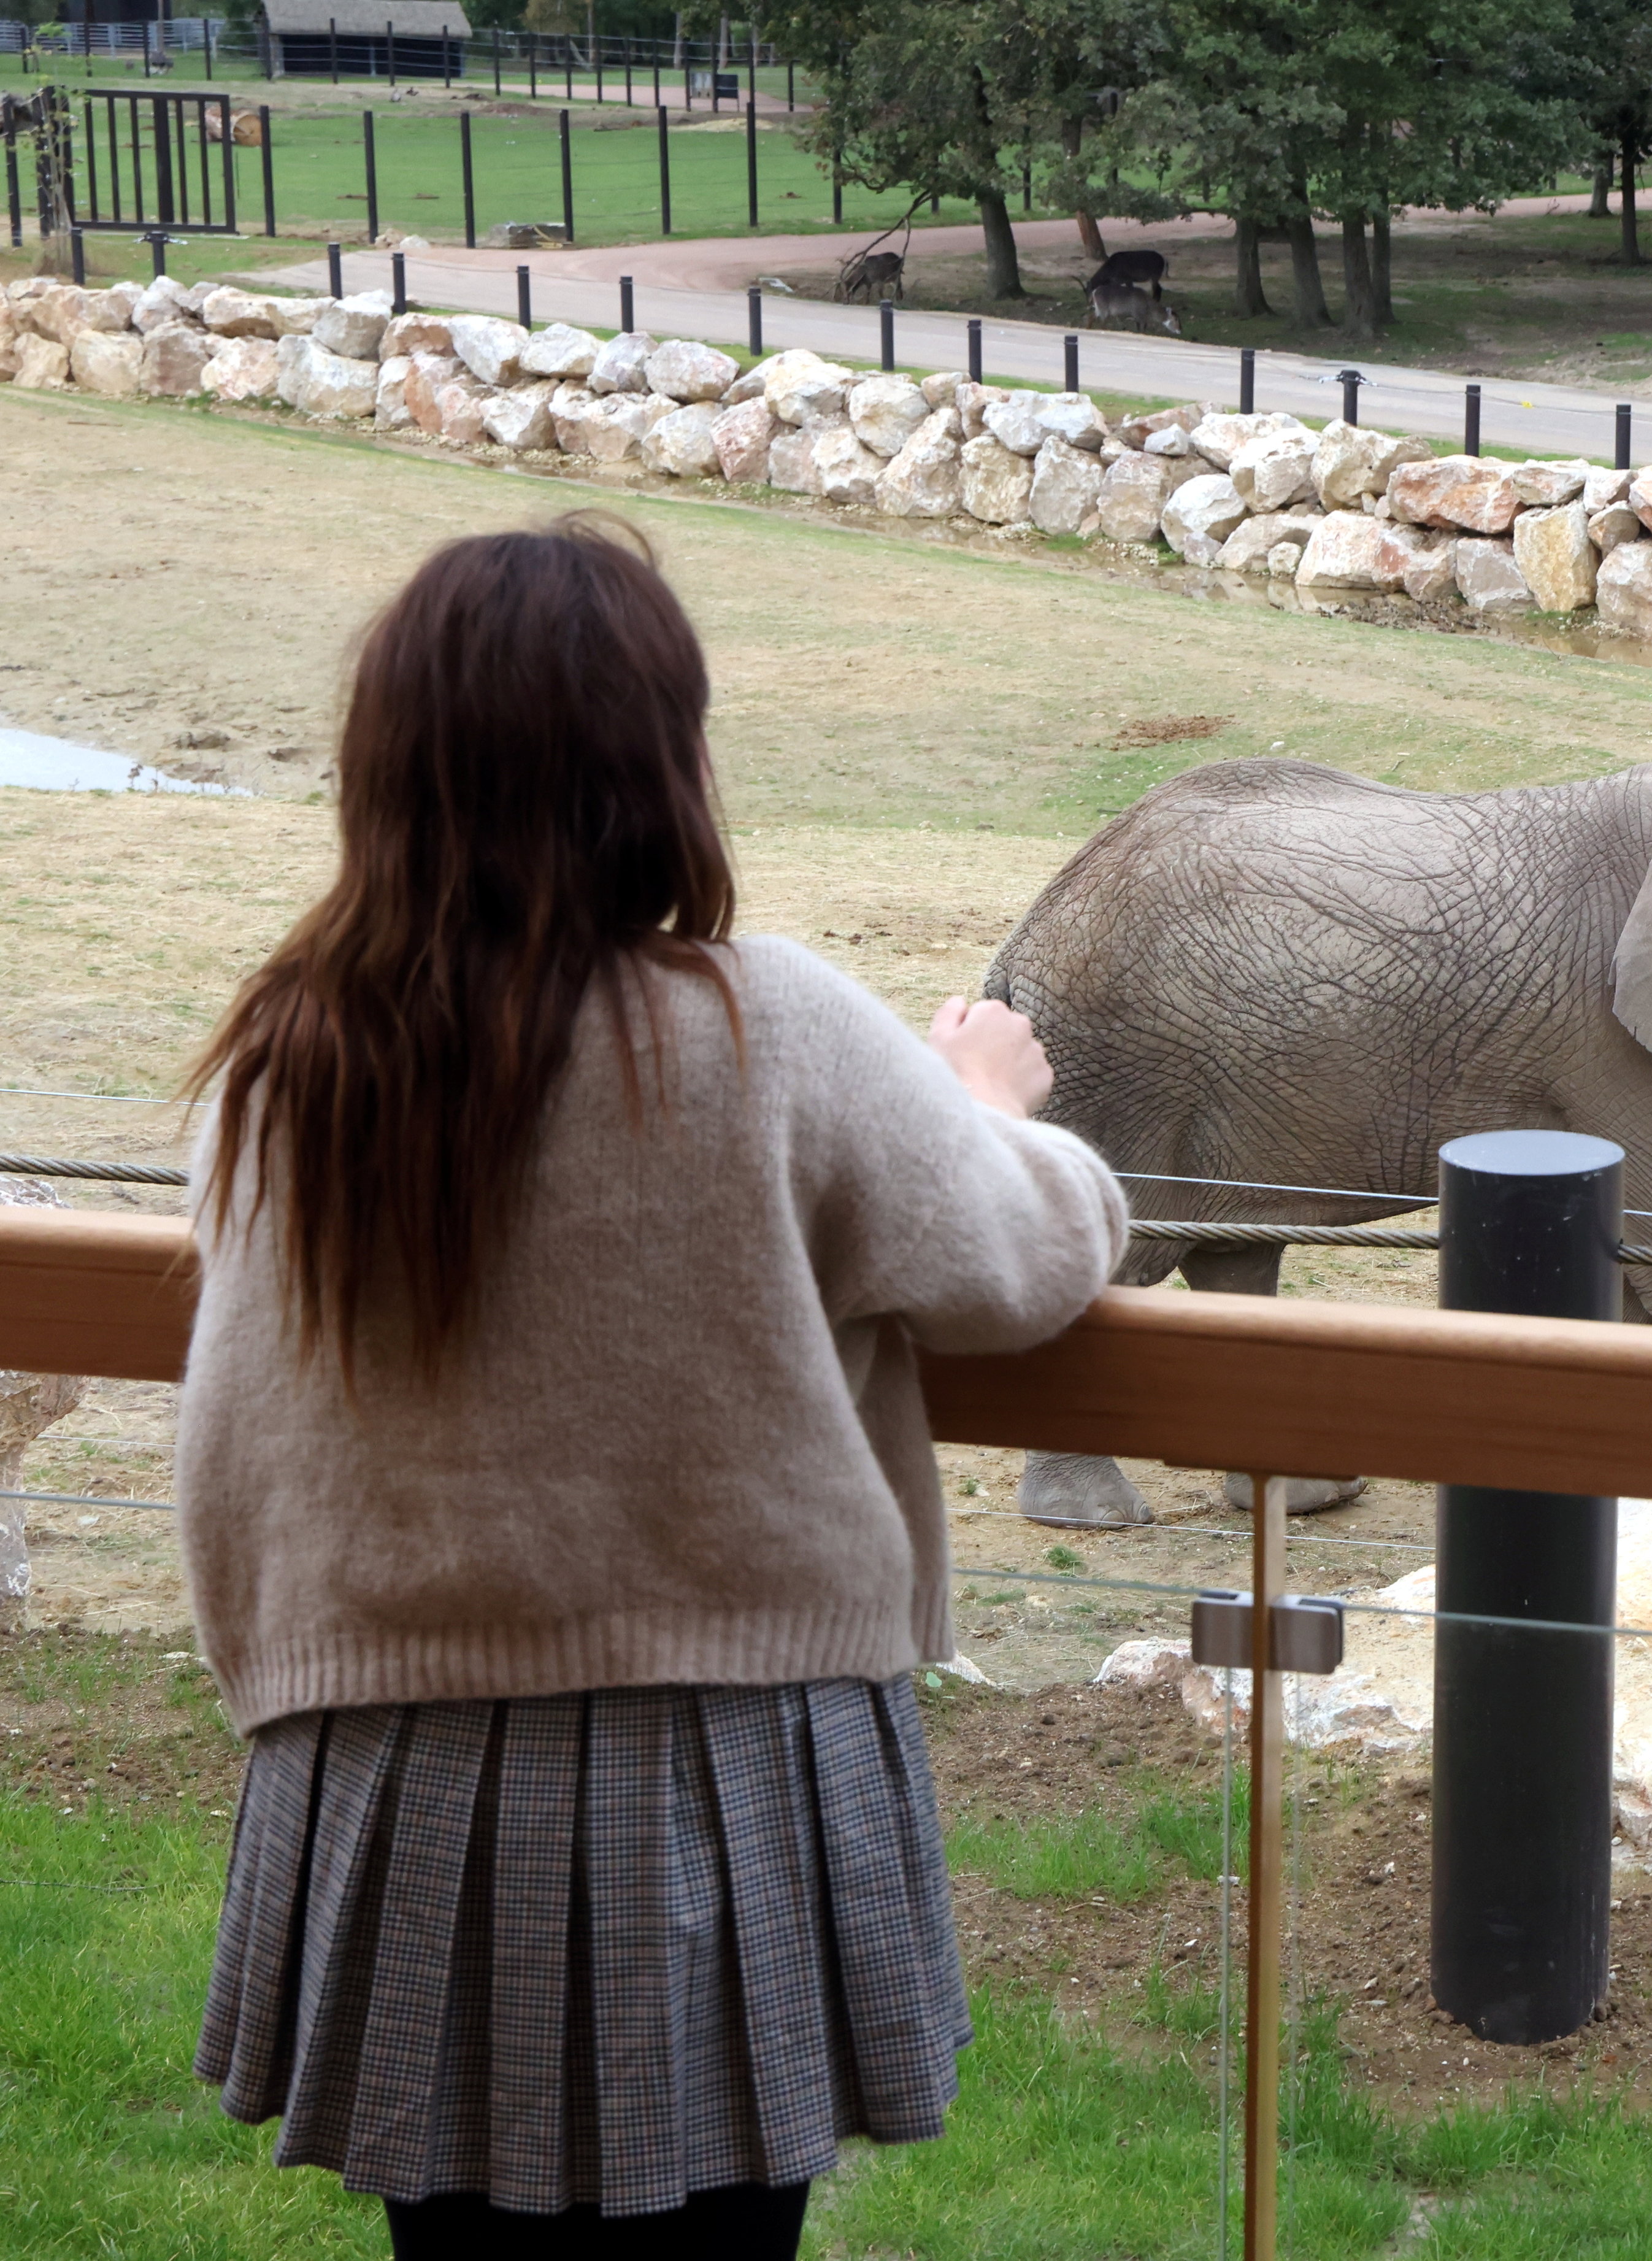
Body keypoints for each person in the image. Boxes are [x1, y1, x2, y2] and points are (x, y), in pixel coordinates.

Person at [175, 515, 1127, 2258]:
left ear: (385, 768)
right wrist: (988, 1098)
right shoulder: (767, 1028)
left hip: (392, 1752)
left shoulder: (289, 1063)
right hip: (726, 1752)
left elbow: (229, 1458)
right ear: (660, 763)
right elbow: (1026, 1261)